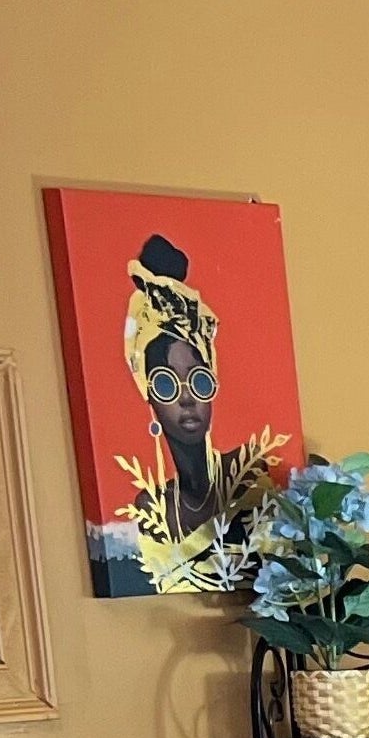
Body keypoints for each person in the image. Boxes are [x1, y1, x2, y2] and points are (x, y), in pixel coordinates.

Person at [114, 234, 287, 591]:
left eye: (199, 380)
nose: (188, 399)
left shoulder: (252, 473)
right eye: (166, 384)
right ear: (149, 395)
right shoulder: (151, 508)